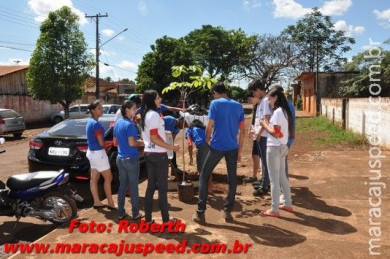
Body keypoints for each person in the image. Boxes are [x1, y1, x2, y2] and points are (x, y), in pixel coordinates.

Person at [192, 82, 245, 224]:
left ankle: (200, 213)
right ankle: (227, 212)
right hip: (232, 147)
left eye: (213, 93)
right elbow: (242, 130)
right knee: (232, 179)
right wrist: (240, 150)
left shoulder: (215, 104)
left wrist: (207, 139)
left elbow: (210, 125)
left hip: (217, 146)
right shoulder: (238, 105)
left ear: (216, 92)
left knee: (204, 175)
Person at [140, 90, 180, 223]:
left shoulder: (145, 115)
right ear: (152, 100)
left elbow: (148, 135)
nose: (160, 99)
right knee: (162, 188)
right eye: (158, 98)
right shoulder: (154, 116)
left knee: (151, 186)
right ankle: (166, 221)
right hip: (159, 154)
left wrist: (164, 133)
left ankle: (148, 219)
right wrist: (172, 147)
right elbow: (153, 138)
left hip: (149, 153)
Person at [259, 88, 294, 217]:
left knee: (274, 180)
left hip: (274, 148)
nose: (268, 101)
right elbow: (282, 133)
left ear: (276, 98)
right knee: (282, 178)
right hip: (282, 147)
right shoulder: (285, 111)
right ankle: (288, 204)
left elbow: (276, 133)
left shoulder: (278, 112)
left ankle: (274, 209)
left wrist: (264, 124)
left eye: (270, 98)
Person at [113, 100, 144, 220]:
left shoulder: (118, 123)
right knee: (133, 187)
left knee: (122, 186)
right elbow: (132, 143)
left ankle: (120, 212)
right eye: (134, 108)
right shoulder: (130, 125)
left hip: (120, 158)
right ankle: (135, 213)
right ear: (127, 110)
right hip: (131, 158)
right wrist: (142, 143)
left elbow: (115, 142)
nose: (135, 111)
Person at [85, 100, 115, 210]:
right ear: (93, 110)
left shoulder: (90, 122)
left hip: (91, 153)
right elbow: (101, 143)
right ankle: (111, 203)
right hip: (98, 154)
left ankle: (97, 202)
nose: (101, 110)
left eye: (101, 108)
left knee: (94, 178)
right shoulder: (96, 124)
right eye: (99, 108)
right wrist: (111, 143)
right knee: (108, 177)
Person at [248, 79, 273, 196]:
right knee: (264, 160)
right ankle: (264, 181)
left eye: (254, 92)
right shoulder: (262, 101)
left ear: (258, 90)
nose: (253, 94)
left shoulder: (266, 100)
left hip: (264, 136)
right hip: (261, 135)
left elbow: (266, 119)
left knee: (266, 162)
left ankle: (265, 185)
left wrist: (259, 133)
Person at [185, 119, 211, 192]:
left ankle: (203, 189)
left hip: (202, 147)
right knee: (208, 168)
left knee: (201, 170)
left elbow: (190, 143)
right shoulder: (203, 129)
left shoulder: (189, 129)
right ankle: (209, 188)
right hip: (210, 146)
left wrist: (191, 158)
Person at [243, 92, 261, 184]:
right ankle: (255, 176)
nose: (250, 102)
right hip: (256, 133)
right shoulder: (256, 106)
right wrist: (250, 127)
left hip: (260, 135)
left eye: (250, 99)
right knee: (255, 155)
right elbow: (254, 118)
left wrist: (258, 133)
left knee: (257, 155)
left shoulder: (262, 105)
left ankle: (262, 179)